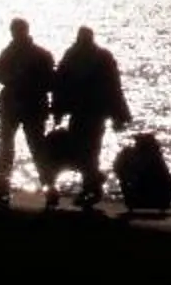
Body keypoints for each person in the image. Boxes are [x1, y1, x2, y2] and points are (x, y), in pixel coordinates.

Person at [51, 24, 133, 206]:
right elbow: (114, 88)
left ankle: (92, 185)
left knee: (85, 151)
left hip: (84, 113)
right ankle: (92, 184)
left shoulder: (73, 56)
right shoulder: (101, 57)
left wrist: (58, 111)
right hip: (94, 113)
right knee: (89, 151)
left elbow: (60, 85)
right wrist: (120, 115)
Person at [0, 17, 56, 206]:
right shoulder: (40, 54)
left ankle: (4, 190)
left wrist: (16, 80)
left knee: (10, 149)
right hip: (29, 108)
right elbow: (52, 82)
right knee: (35, 150)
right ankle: (49, 190)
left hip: (18, 107)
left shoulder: (13, 52)